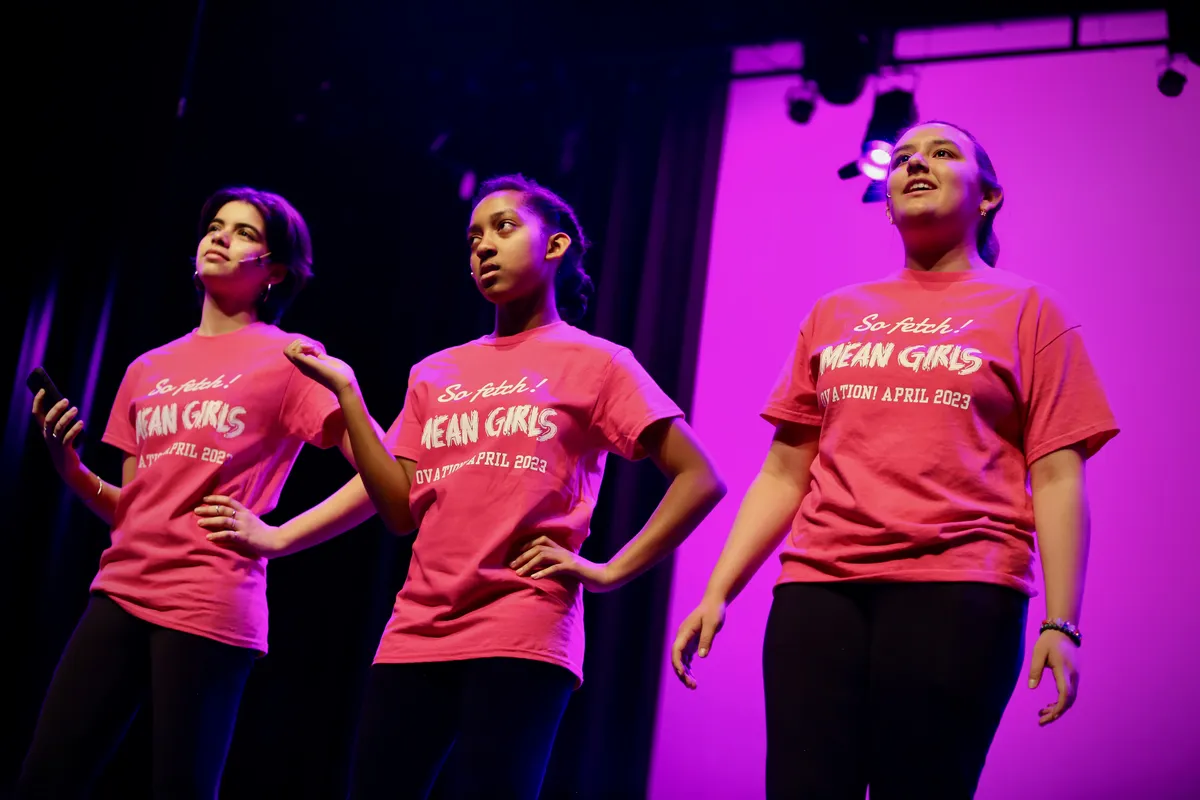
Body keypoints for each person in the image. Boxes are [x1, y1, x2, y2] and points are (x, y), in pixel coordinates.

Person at [202, 174, 726, 799]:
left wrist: (609, 571)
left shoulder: (598, 363)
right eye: (474, 235)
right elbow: (397, 506)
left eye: (504, 228)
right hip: (415, 630)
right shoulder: (436, 371)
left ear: (555, 247)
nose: (482, 245)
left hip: (522, 629)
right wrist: (347, 394)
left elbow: (701, 478)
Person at [671, 121, 1119, 799]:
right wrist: (718, 590)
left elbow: (1058, 475)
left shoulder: (1029, 311)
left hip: (961, 588)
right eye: (904, 158)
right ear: (885, 202)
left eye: (942, 154)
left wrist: (1062, 621)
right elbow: (785, 470)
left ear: (988, 196)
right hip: (818, 591)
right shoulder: (835, 311)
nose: (917, 164)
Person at [19, 187, 361, 799]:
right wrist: (68, 467)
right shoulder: (147, 367)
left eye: (245, 232)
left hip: (209, 597)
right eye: (214, 226)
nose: (220, 236)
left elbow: (380, 473)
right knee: (45, 779)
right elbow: (133, 507)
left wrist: (278, 536)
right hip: (120, 589)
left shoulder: (290, 359)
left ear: (274, 273)